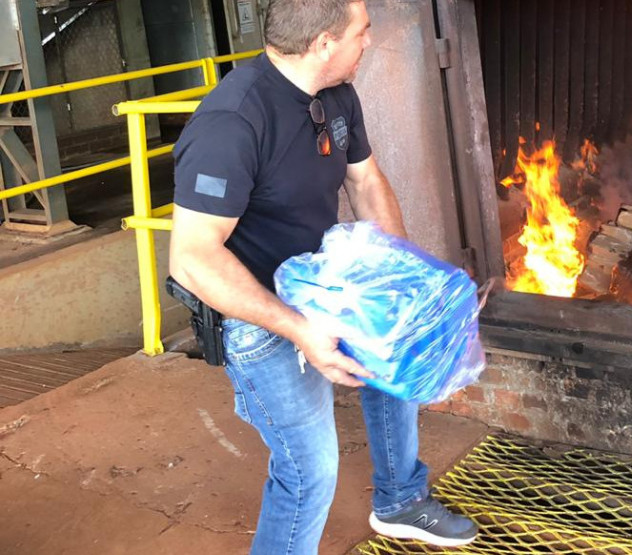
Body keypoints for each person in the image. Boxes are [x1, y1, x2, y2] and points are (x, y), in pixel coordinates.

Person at [168, 0, 479, 552]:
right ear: (323, 44)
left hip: (329, 281)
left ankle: (400, 500)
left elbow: (366, 183)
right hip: (258, 312)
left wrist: (400, 280)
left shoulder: (335, 94)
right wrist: (300, 329)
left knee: (393, 354)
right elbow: (192, 258)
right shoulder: (232, 122)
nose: (368, 42)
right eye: (362, 32)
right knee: (310, 470)